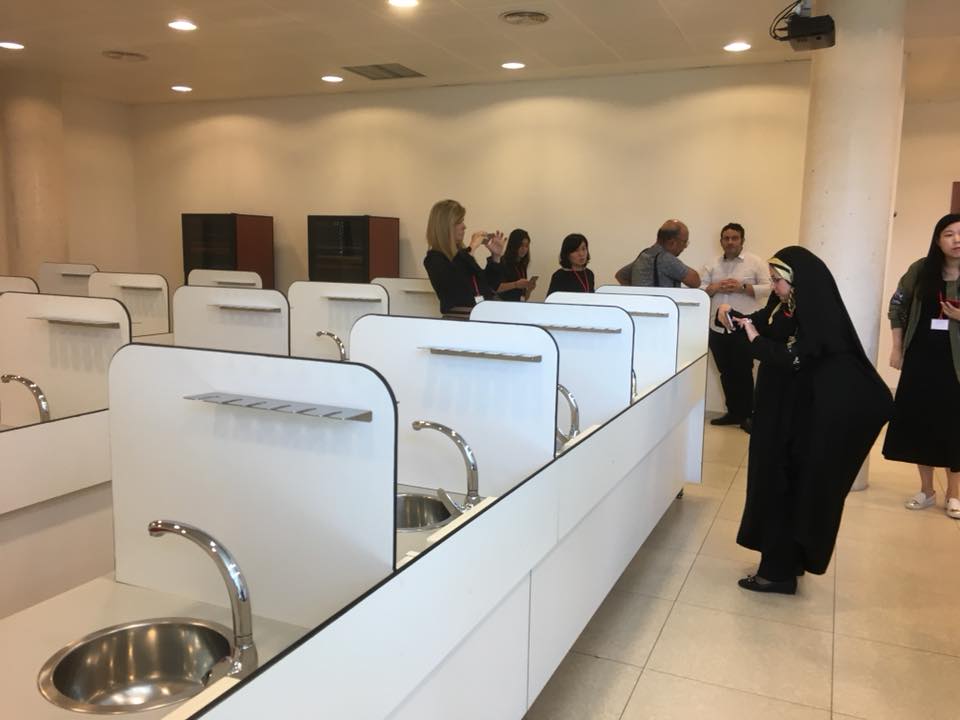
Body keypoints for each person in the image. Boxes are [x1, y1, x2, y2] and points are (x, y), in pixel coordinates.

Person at [717, 246, 892, 594]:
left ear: (798, 282)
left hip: (795, 417)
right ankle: (784, 563)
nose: (774, 286)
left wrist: (755, 340)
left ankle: (777, 573)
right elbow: (762, 327)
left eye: (778, 280)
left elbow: (792, 357)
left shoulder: (818, 316)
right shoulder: (783, 304)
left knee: (782, 484)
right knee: (774, 483)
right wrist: (732, 316)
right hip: (777, 409)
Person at [882, 213, 960, 519]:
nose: (957, 240)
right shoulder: (921, 269)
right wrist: (897, 348)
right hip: (921, 360)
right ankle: (927, 490)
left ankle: (954, 494)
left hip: (956, 365)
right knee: (921, 422)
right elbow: (897, 305)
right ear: (938, 240)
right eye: (949, 234)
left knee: (954, 425)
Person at [702, 223, 769, 433]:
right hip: (716, 328)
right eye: (726, 238)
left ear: (742, 240)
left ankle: (748, 416)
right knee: (725, 372)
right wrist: (713, 287)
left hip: (743, 327)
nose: (730, 242)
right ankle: (733, 413)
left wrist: (743, 288)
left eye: (735, 238)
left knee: (743, 372)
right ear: (721, 241)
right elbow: (699, 290)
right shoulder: (712, 264)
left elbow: (769, 287)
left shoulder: (755, 262)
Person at [422, 199, 505, 315]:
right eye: (459, 222)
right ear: (445, 226)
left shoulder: (462, 254)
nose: (464, 226)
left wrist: (495, 257)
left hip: (480, 316)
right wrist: (471, 249)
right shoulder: (434, 259)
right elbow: (455, 287)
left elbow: (490, 285)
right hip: (460, 320)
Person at [614, 219, 700, 288]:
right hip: (662, 305)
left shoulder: (644, 255)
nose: (685, 246)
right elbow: (695, 281)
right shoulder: (665, 259)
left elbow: (621, 275)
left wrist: (638, 293)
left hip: (642, 304)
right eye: (684, 242)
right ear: (672, 242)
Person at [497, 228, 537, 302]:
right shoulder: (502, 262)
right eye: (521, 245)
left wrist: (529, 289)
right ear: (514, 245)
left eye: (526, 246)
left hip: (518, 305)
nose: (524, 249)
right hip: (503, 305)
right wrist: (516, 284)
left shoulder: (522, 265)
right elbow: (496, 288)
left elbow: (524, 298)